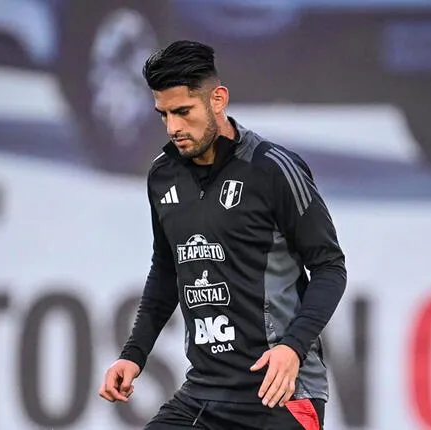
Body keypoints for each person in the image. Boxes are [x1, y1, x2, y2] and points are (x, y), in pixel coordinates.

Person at [99, 40, 347, 429]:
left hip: (280, 394)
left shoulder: (273, 169)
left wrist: (292, 347)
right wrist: (134, 354)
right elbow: (167, 271)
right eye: (163, 114)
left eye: (183, 111)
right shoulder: (162, 174)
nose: (173, 127)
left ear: (218, 99)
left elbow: (330, 267)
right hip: (203, 393)